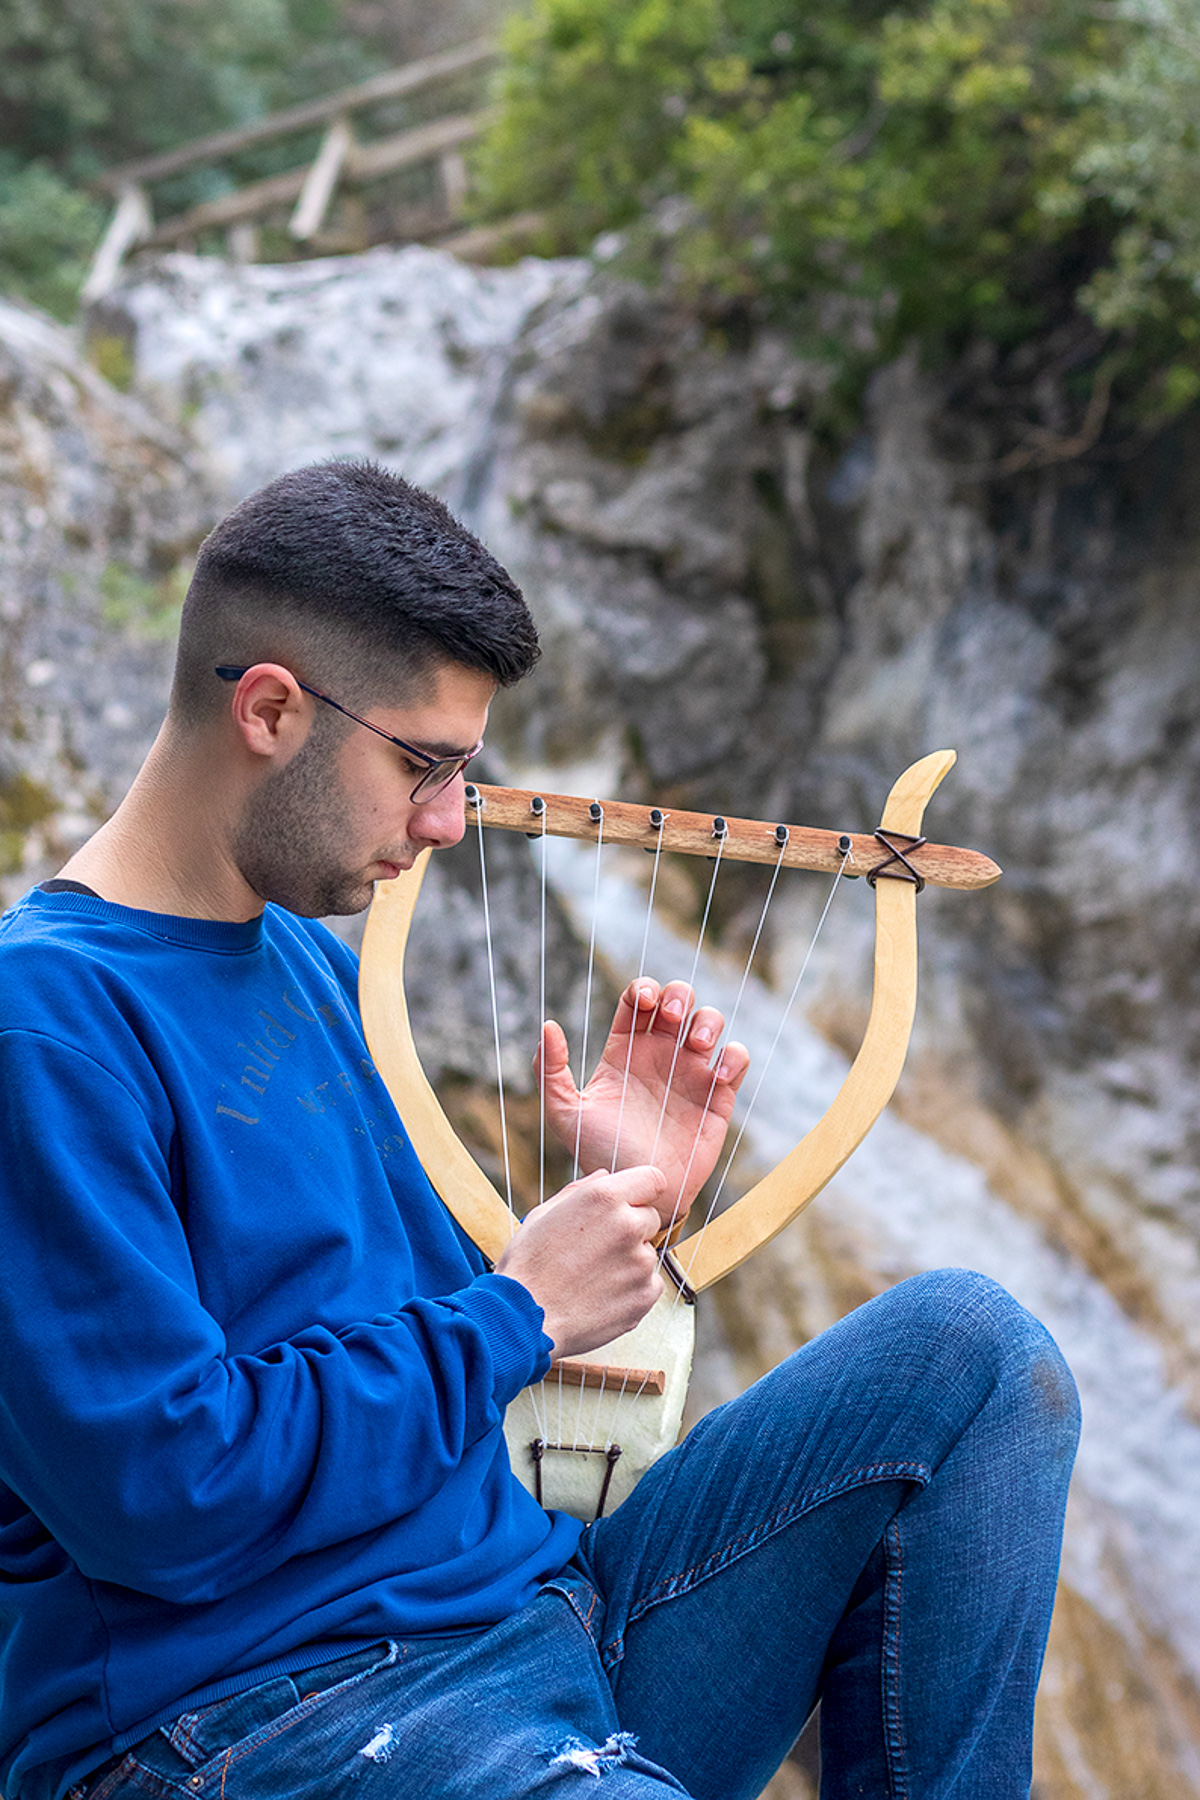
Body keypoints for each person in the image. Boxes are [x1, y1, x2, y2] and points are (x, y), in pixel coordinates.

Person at [0, 460, 1079, 1800]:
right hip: (254, 1718)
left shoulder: (316, 969)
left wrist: (619, 1222)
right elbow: (163, 1498)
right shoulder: (46, 1026)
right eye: (422, 765)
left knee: (972, 1352)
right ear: (269, 708)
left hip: (537, 1627)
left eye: (465, 773)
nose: (447, 822)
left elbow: (460, 1395)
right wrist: (520, 1308)